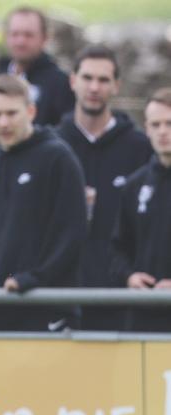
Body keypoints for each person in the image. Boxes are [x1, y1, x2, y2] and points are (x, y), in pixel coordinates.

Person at [0, 74, 86, 331]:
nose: (3, 122)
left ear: (31, 111)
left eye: (11, 113)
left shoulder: (58, 158)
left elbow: (72, 232)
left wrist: (33, 278)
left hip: (48, 306)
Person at [55, 45, 154, 331]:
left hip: (125, 299)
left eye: (103, 80)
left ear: (116, 86)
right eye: (87, 78)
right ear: (73, 81)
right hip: (63, 297)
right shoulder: (51, 146)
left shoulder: (141, 148)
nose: (94, 87)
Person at [0, 6, 75, 156]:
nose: (20, 41)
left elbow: (68, 135)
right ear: (6, 37)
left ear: (45, 38)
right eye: (15, 34)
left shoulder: (60, 83)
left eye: (28, 35)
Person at [110, 88, 171, 332]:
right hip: (144, 320)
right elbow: (117, 248)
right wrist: (129, 276)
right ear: (146, 129)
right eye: (155, 125)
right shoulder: (135, 185)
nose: (163, 132)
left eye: (169, 123)